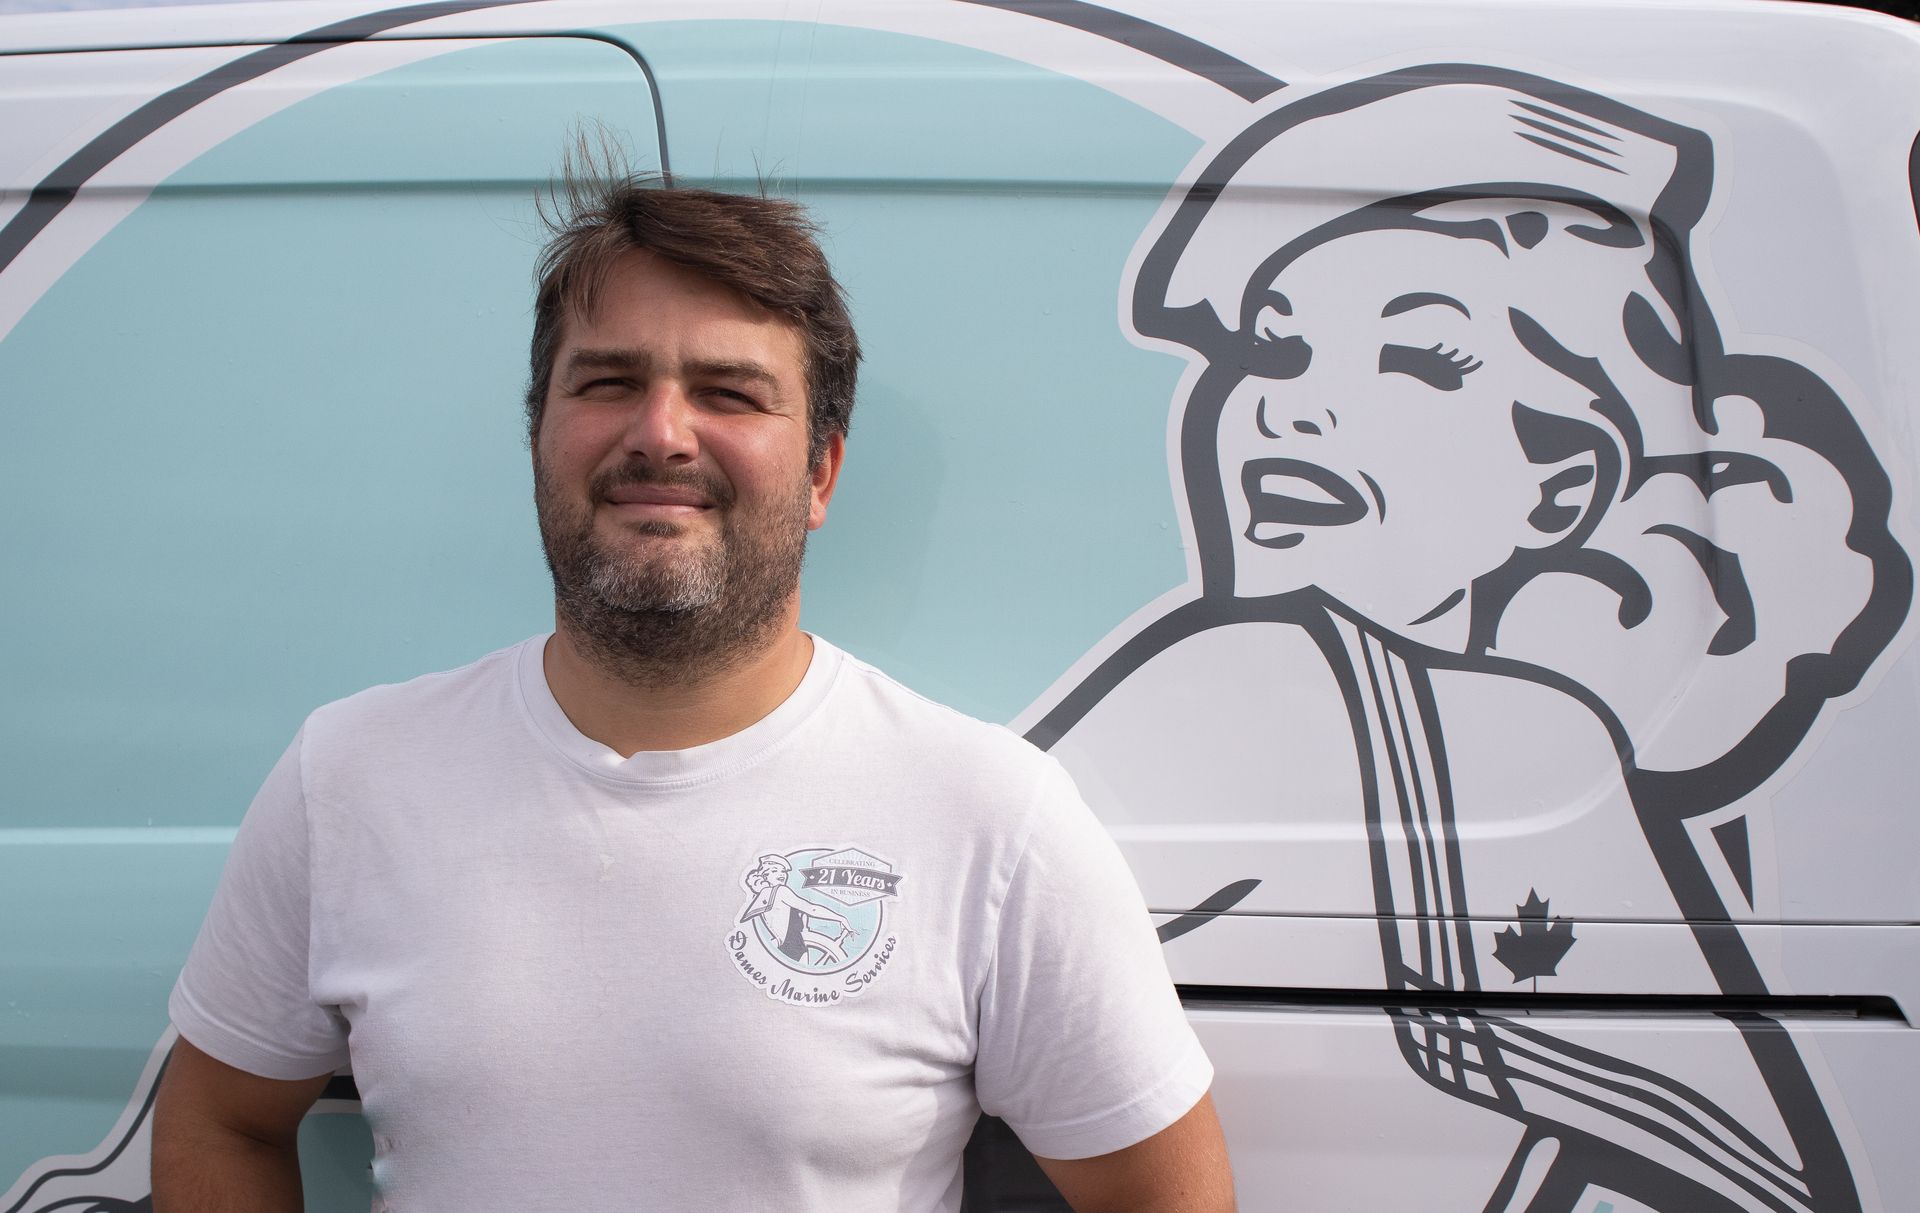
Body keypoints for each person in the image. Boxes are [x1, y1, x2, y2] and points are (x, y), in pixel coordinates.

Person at [150, 169, 1233, 1212]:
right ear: (539, 432)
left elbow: (1163, 1195)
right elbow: (219, 1117)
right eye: (609, 381)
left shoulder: (992, 817)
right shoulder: (349, 776)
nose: (660, 433)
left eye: (729, 392)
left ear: (820, 473)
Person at [1031, 67, 1906, 1213]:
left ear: (1562, 485)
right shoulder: (1550, 742)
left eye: (1416, 357)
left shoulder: (1288, 683)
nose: (1289, 405)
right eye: (1274, 348)